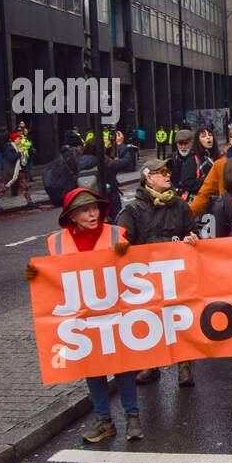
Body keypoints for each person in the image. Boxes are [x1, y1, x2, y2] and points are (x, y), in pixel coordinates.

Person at [27, 188, 140, 443]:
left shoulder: (116, 234)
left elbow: (134, 269)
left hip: (115, 312)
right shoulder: (56, 241)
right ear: (72, 216)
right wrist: (34, 277)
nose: (93, 214)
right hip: (83, 317)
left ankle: (133, 417)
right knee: (93, 368)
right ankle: (104, 420)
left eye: (95, 208)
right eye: (85, 210)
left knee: (124, 366)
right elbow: (52, 277)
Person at [119, 160, 202, 386]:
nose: (168, 175)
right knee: (150, 320)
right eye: (161, 172)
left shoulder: (180, 206)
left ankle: (184, 366)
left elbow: (192, 231)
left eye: (168, 171)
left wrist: (192, 238)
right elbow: (121, 242)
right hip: (146, 277)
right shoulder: (133, 210)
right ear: (148, 178)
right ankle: (150, 364)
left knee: (180, 319)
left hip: (176, 275)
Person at [0, 132, 33, 209]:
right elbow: (12, 158)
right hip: (11, 172)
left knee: (25, 186)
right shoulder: (9, 148)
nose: (20, 140)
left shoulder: (17, 147)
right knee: (6, 186)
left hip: (19, 171)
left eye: (20, 139)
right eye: (18, 139)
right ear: (14, 140)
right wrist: (20, 152)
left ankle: (29, 202)